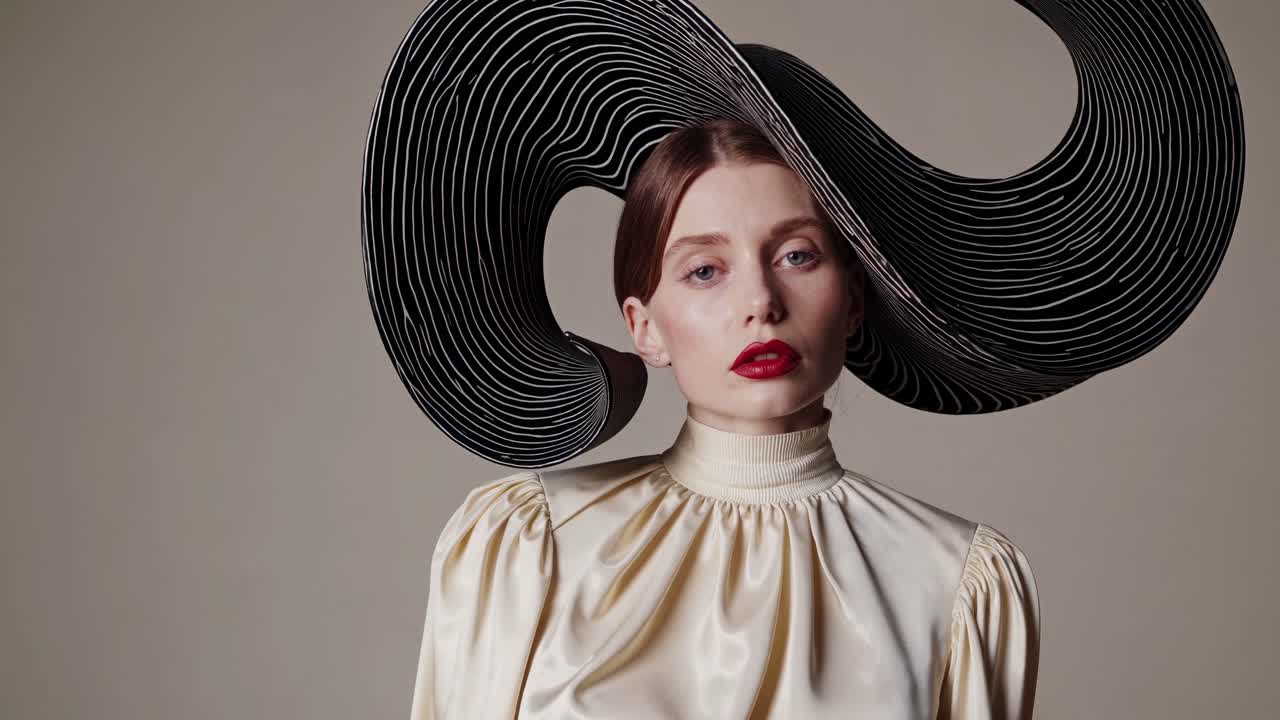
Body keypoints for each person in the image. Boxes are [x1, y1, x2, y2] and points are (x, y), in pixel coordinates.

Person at [408, 118, 1040, 719]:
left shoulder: (957, 580)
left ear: (852, 301)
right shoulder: (530, 544)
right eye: (705, 270)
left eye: (796, 256)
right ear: (645, 328)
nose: (761, 302)